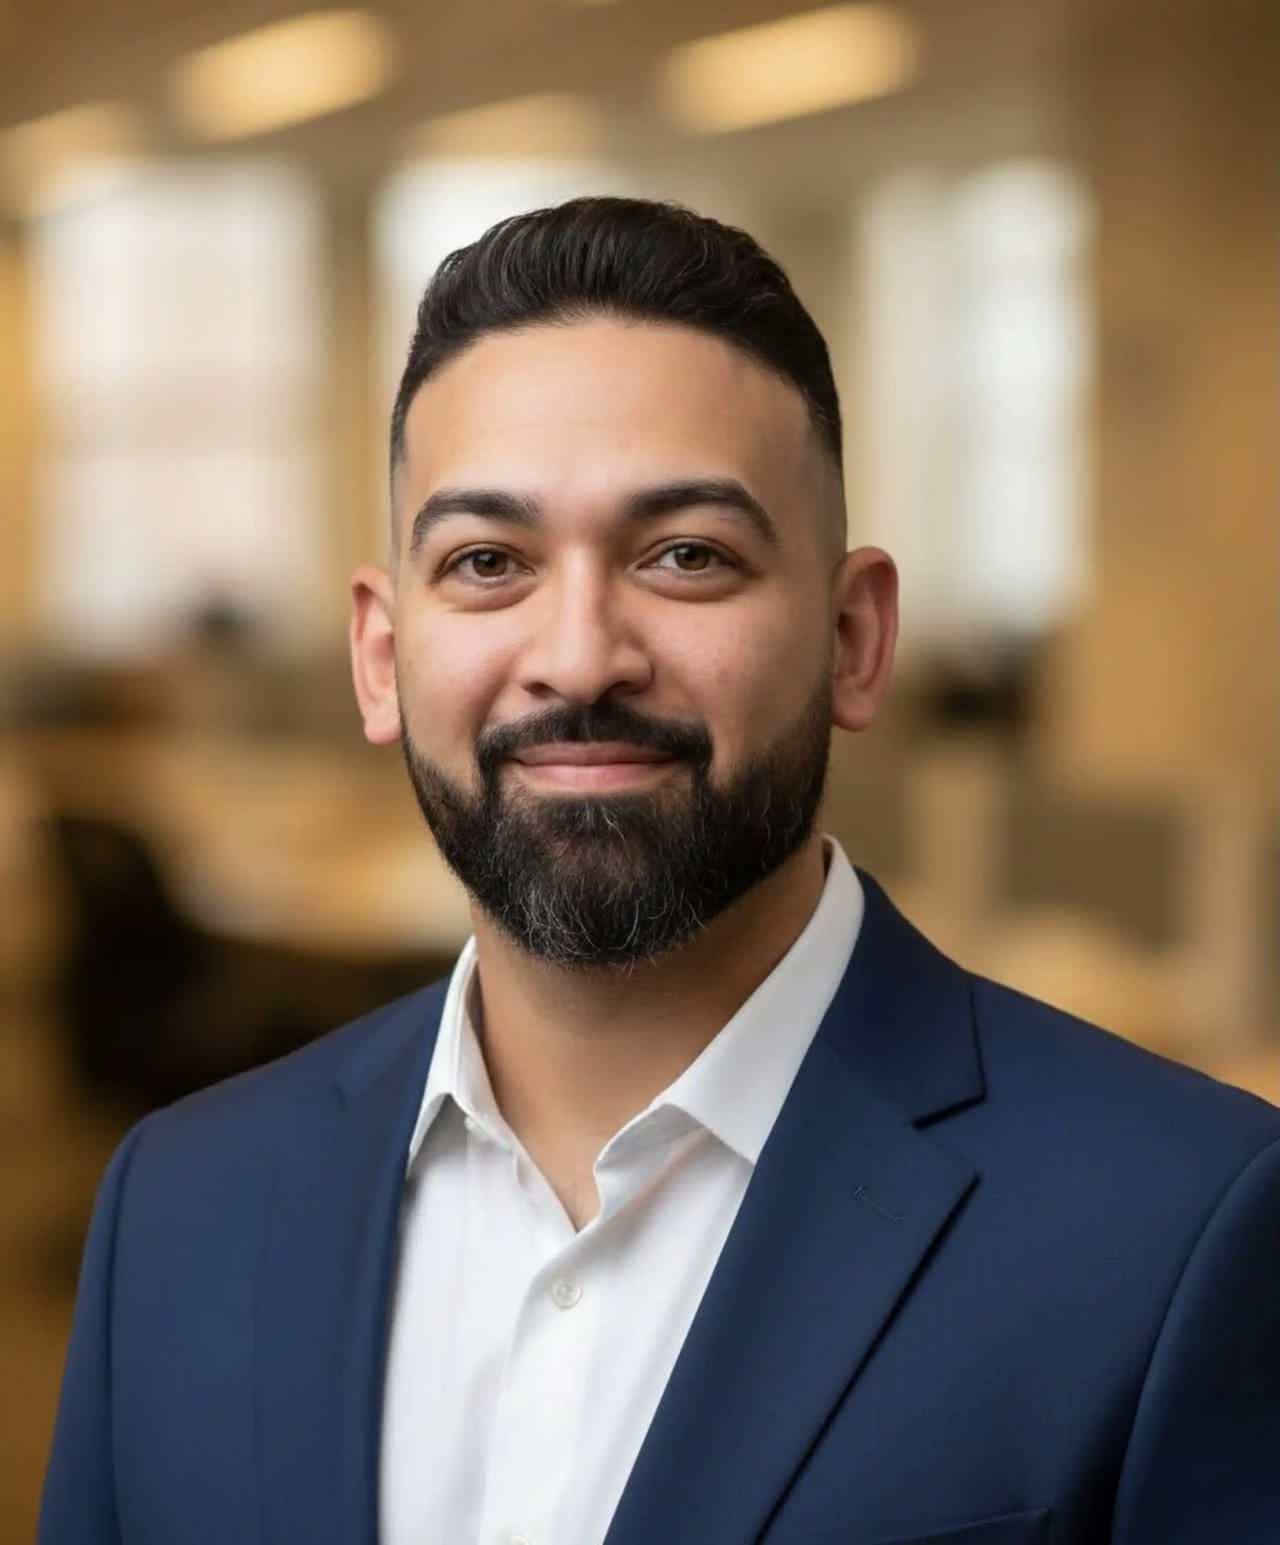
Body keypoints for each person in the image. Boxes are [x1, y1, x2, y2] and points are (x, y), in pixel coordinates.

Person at [40, 197, 1279, 1545]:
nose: (579, 656)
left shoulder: (1182, 1227)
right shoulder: (176, 1206)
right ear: (381, 656)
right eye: (488, 561)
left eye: (687, 555)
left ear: (857, 638)